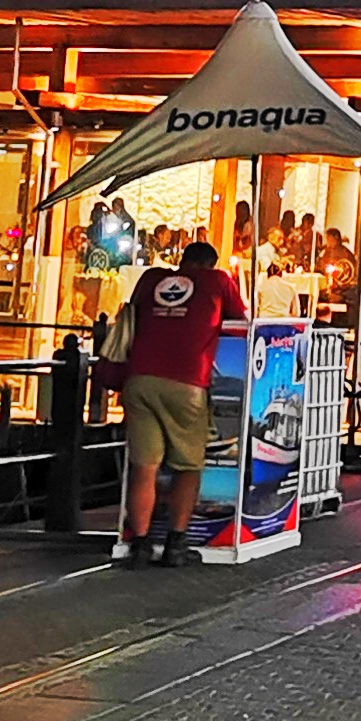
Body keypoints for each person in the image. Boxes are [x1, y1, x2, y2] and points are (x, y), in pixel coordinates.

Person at [111, 239, 244, 567]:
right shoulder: (218, 281)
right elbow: (240, 321)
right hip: (187, 382)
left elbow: (135, 311)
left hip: (140, 379)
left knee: (145, 467)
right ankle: (176, 544)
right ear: (210, 264)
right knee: (188, 466)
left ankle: (140, 546)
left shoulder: (151, 278)